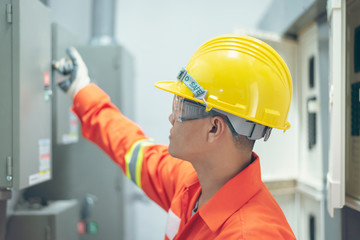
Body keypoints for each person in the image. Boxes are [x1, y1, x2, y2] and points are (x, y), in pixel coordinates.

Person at [54, 34, 296, 239]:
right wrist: (81, 89)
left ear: (214, 128)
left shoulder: (253, 234)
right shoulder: (191, 185)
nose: (172, 118)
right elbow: (133, 149)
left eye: (181, 107)